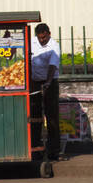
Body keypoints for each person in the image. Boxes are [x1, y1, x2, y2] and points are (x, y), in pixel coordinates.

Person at [31, 22, 62, 160]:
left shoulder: (54, 46)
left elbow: (52, 66)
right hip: (34, 82)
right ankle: (35, 147)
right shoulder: (32, 42)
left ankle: (54, 150)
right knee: (34, 116)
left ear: (49, 34)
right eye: (40, 38)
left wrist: (48, 83)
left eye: (44, 37)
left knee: (51, 116)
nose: (42, 40)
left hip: (50, 81)